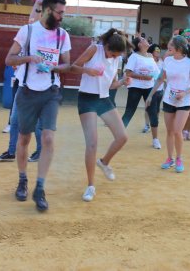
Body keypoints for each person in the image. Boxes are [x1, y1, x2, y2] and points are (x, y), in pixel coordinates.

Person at [5, 0, 71, 212]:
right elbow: (9, 59)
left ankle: (40, 187)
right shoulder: (28, 30)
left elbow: (67, 65)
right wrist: (29, 58)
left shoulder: (63, 35)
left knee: (48, 137)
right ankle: (22, 179)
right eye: (60, 12)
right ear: (48, 10)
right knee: (24, 138)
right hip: (27, 91)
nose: (62, 16)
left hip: (51, 91)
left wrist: (53, 67)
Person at [70, 28, 131, 202]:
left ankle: (104, 163)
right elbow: (73, 66)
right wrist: (87, 71)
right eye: (112, 54)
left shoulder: (117, 58)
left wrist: (122, 82)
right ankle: (90, 186)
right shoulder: (94, 49)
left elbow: (111, 84)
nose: (113, 57)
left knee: (122, 137)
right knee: (92, 144)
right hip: (87, 99)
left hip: (103, 98)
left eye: (116, 55)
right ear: (106, 46)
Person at [147, 35, 190, 173]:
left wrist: (185, 93)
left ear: (178, 48)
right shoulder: (168, 60)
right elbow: (160, 79)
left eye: (171, 44)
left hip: (184, 102)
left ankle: (179, 158)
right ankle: (169, 158)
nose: (168, 46)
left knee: (177, 131)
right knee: (170, 131)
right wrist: (150, 95)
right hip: (169, 100)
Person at [121, 36, 161, 149]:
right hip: (135, 87)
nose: (146, 40)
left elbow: (157, 73)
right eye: (143, 40)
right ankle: (118, 136)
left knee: (153, 112)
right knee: (129, 111)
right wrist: (144, 77)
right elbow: (128, 73)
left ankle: (155, 139)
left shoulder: (150, 56)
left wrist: (163, 77)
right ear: (139, 44)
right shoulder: (134, 56)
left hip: (149, 88)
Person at [0, 77, 42, 163]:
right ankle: (11, 152)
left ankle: (40, 152)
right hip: (21, 85)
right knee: (14, 120)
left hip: (35, 87)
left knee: (36, 122)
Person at [142, 44, 164, 148]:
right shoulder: (149, 61)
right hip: (150, 90)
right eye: (156, 51)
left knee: (157, 111)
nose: (158, 52)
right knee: (148, 109)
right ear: (152, 52)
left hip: (160, 90)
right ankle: (147, 125)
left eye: (159, 51)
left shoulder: (162, 62)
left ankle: (154, 124)